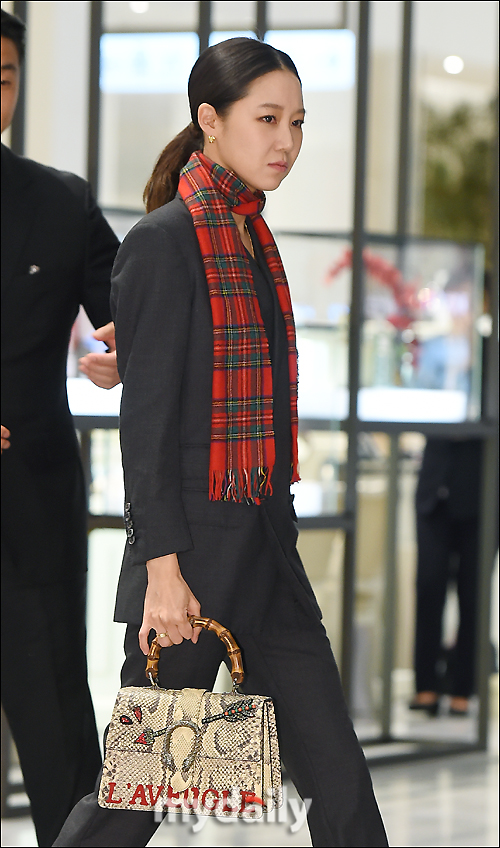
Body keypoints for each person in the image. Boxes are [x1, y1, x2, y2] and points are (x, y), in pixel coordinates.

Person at [53, 38, 388, 847]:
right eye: (267, 119)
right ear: (210, 120)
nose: (286, 141)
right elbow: (148, 427)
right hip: (194, 565)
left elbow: (204, 371)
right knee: (135, 794)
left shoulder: (249, 238)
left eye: (297, 122)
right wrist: (162, 572)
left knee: (339, 780)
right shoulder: (166, 238)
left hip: (267, 545)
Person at [1, 10, 121, 847]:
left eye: (3, 77)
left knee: (61, 748)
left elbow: (135, 309)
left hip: (31, 519)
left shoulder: (60, 201)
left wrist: (128, 351)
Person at [410, 438, 484, 716]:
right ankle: (425, 685)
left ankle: (463, 688)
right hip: (434, 494)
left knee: (473, 594)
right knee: (428, 588)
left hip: (481, 492)